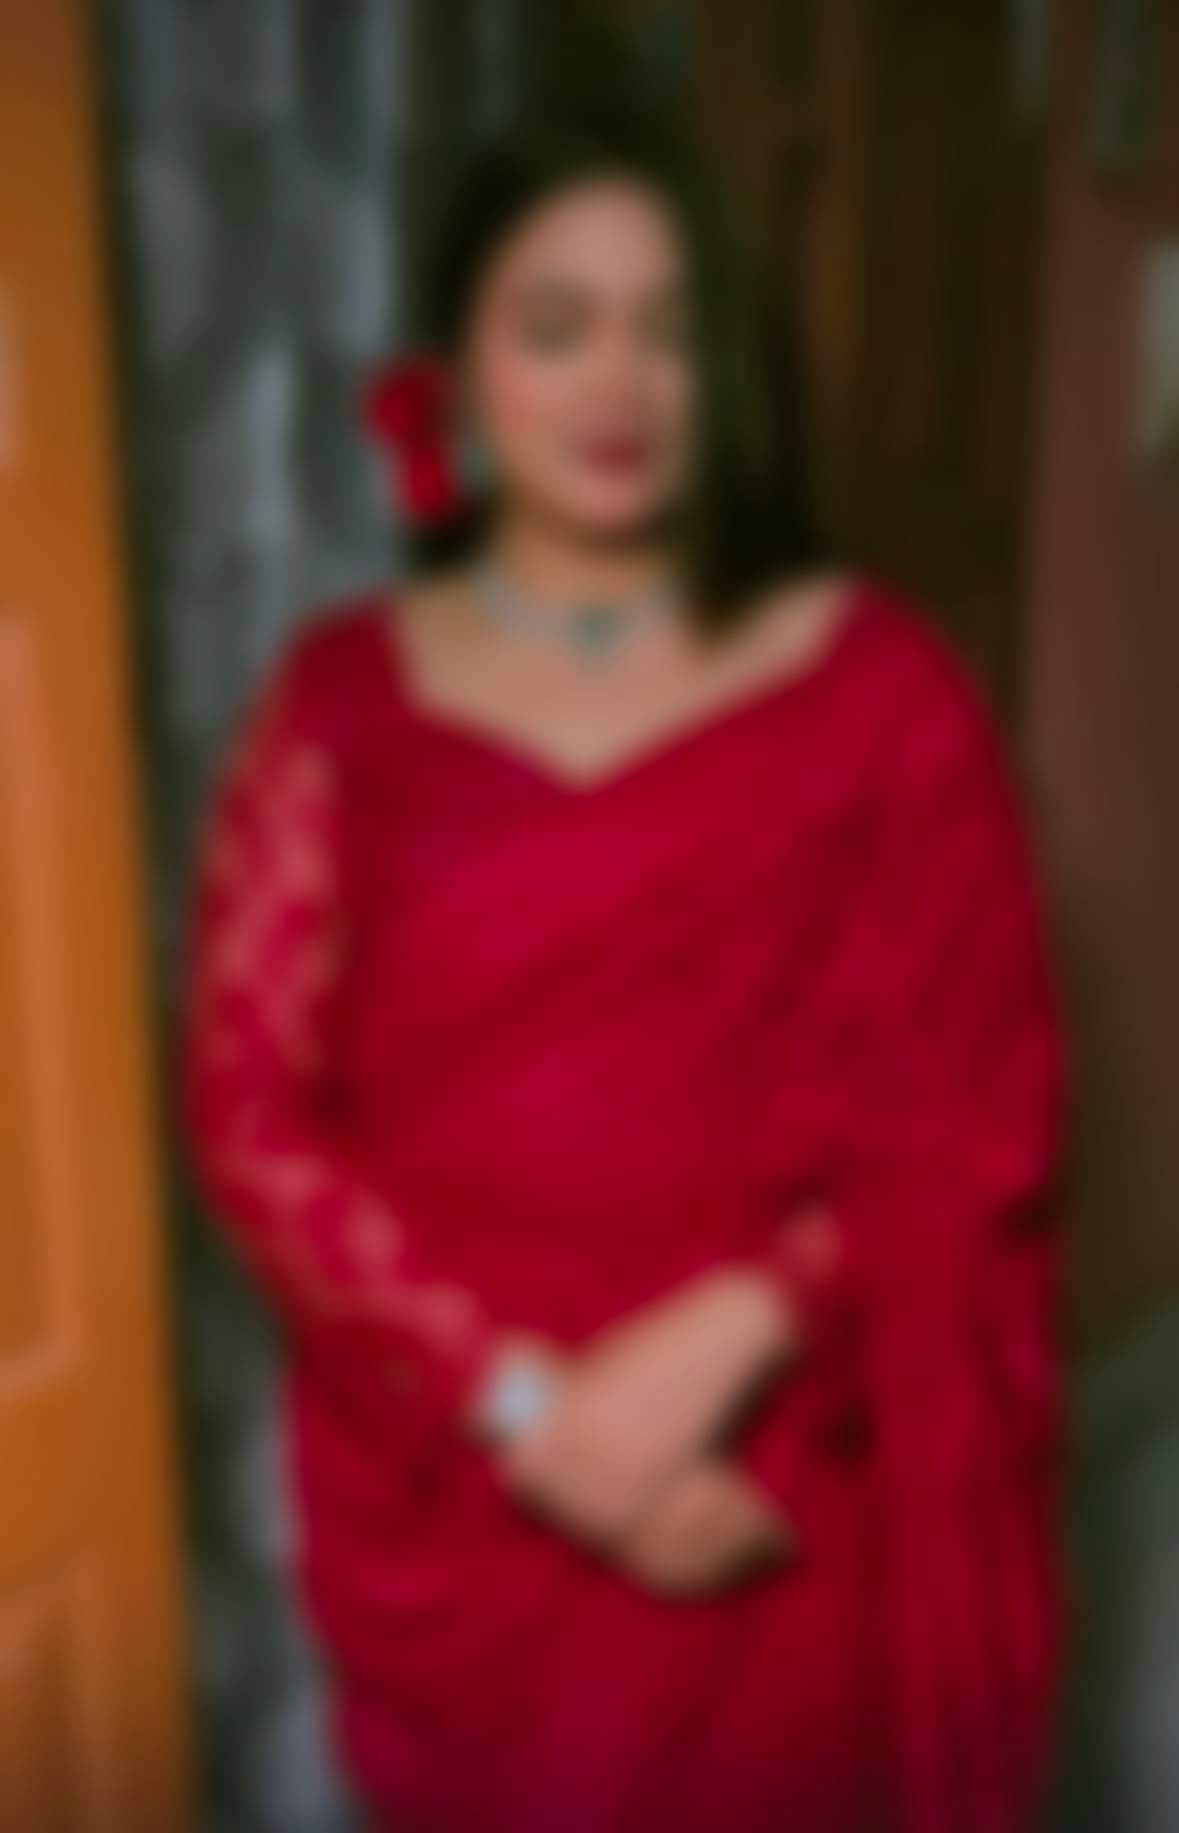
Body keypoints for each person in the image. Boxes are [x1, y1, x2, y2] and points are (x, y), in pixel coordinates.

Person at [181, 104, 1067, 1833]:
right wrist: (533, 1414)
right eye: (557, 323)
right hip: (461, 1503)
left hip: (779, 1469)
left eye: (667, 329)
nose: (619, 381)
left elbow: (980, 1113)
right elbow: (249, 1115)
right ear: (455, 374)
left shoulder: (882, 690)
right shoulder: (339, 701)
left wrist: (736, 1330)